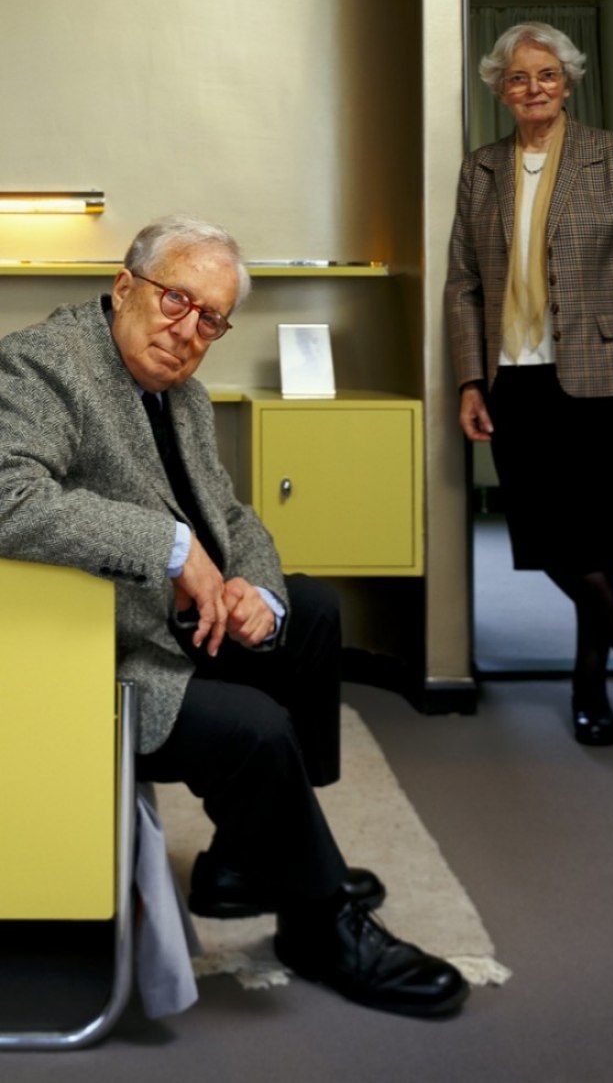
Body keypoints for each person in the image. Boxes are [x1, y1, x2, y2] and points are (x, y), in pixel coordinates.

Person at [0, 214, 468, 1018]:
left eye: (211, 317)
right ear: (124, 287)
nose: (189, 331)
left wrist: (260, 591)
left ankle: (246, 860)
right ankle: (316, 922)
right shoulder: (42, 365)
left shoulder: (178, 391)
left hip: (167, 621)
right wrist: (172, 549)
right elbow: (8, 500)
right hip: (86, 652)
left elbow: (232, 514)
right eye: (176, 299)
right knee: (252, 726)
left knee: (312, 611)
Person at [445, 22, 613, 747]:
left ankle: (590, 691)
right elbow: (462, 285)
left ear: (567, 80)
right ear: (499, 89)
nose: (532, 88)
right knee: (545, 534)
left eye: (545, 74)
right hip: (512, 376)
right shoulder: (479, 169)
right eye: (517, 78)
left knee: (598, 538)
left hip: (605, 374)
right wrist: (467, 382)